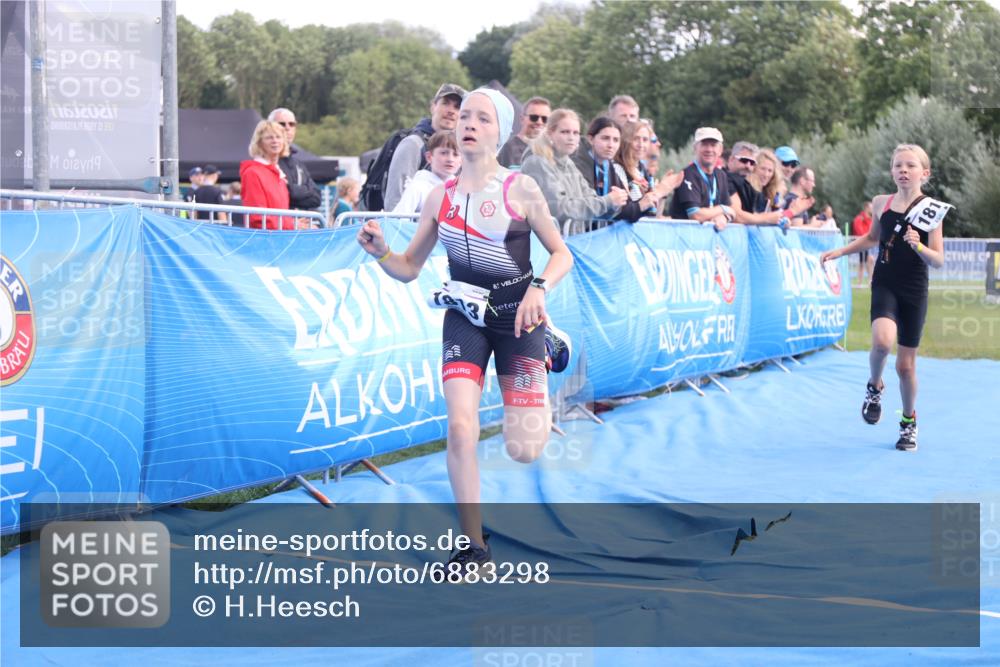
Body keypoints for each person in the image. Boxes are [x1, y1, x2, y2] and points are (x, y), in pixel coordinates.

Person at [356, 88, 574, 572]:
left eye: (482, 118)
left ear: (499, 132)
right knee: (459, 427)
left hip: (520, 317)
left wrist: (539, 287)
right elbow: (410, 266)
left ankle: (546, 346)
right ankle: (474, 544)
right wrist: (382, 253)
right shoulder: (440, 196)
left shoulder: (521, 189)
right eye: (464, 117)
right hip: (465, 316)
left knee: (523, 449)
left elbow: (563, 254)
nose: (469, 124)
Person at [820, 144, 946, 451]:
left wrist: (918, 245)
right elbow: (873, 238)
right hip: (885, 282)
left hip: (914, 288)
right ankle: (874, 386)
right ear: (891, 171)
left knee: (905, 367)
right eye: (898, 165)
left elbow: (938, 260)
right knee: (881, 342)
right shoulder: (881, 203)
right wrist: (841, 250)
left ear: (924, 173)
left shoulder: (932, 210)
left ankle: (908, 422)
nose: (903, 170)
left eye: (911, 166)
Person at [520, 109, 629, 226]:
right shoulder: (536, 163)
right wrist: (607, 201)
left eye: (576, 133)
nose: (571, 138)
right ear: (550, 133)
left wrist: (614, 205)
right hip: (545, 241)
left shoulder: (568, 163)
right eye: (565, 132)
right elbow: (558, 210)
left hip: (573, 239)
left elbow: (591, 200)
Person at [570, 116, 674, 222]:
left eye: (615, 140)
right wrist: (644, 202)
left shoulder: (616, 167)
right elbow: (623, 211)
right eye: (605, 138)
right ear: (591, 139)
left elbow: (648, 212)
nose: (611, 145)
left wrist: (661, 194)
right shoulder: (612, 167)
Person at [383, 83, 466, 210]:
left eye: (457, 107)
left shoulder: (462, 148)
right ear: (433, 106)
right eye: (446, 103)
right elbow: (394, 202)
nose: (451, 111)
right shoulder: (413, 144)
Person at [666, 127, 735, 231]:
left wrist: (723, 217)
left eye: (713, 145)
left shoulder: (721, 175)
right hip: (683, 239)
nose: (709, 149)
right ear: (695, 148)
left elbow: (731, 212)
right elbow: (696, 215)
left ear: (720, 150)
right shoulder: (688, 174)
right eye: (704, 144)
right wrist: (723, 209)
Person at [240, 120, 299, 230]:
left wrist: (294, 221)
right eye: (269, 137)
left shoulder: (280, 174)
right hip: (264, 240)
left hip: (281, 238)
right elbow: (257, 218)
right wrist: (293, 224)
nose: (275, 141)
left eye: (278, 137)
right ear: (259, 142)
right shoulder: (252, 173)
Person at [617, 121, 681, 217]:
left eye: (645, 140)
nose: (641, 144)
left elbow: (654, 214)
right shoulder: (617, 168)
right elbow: (622, 212)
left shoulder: (641, 170)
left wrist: (664, 193)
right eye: (636, 139)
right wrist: (658, 192)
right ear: (626, 141)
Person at [392, 131, 462, 214]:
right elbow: (399, 220)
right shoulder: (417, 187)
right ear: (429, 157)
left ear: (462, 160)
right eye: (444, 153)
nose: (450, 159)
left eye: (456, 154)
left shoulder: (463, 190)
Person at [268, 108, 322, 212]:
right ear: (269, 128)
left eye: (291, 124)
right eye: (282, 124)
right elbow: (279, 195)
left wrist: (293, 190)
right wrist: (304, 191)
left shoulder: (298, 165)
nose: (287, 128)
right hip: (280, 224)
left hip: (302, 224)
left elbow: (317, 198)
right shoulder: (267, 162)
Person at [497, 96, 551, 168]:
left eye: (545, 119)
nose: (539, 122)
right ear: (522, 119)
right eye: (534, 117)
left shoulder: (551, 150)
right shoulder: (509, 148)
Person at [749, 148, 786, 213]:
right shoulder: (747, 189)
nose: (766, 174)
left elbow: (777, 216)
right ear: (754, 168)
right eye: (763, 169)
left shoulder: (769, 192)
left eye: (770, 171)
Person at [852, 201, 875, 282]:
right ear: (866, 208)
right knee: (863, 263)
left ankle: (869, 280)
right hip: (862, 243)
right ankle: (861, 282)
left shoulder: (870, 219)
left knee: (869, 260)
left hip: (869, 243)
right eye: (871, 208)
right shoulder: (859, 218)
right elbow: (859, 231)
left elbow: (872, 230)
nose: (872, 209)